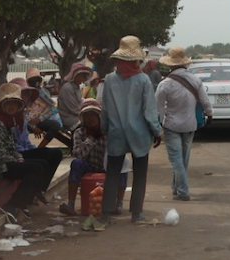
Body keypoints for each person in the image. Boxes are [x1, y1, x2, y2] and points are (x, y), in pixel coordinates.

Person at [99, 36, 163, 225]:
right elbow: (149, 111)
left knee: (112, 173)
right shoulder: (143, 80)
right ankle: (136, 212)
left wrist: (104, 128)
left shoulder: (109, 80)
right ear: (136, 60)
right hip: (140, 133)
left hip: (116, 132)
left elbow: (105, 108)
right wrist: (157, 131)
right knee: (140, 173)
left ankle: (106, 213)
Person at [0, 83, 49, 218]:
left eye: (15, 104)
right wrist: (17, 160)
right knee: (35, 168)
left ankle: (24, 200)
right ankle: (13, 205)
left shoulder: (7, 121)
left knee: (42, 164)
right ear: (1, 105)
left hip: (1, 162)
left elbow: (10, 148)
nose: (11, 107)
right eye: (8, 104)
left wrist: (18, 157)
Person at [155, 46, 212, 201]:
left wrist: (156, 128)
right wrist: (210, 114)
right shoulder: (195, 80)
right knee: (183, 159)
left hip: (171, 125)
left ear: (169, 64)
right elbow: (205, 101)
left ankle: (182, 191)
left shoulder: (164, 84)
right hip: (190, 125)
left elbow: (158, 109)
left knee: (176, 160)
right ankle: (176, 186)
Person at [59, 99, 128, 216]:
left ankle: (118, 203)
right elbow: (78, 153)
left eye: (93, 115)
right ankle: (71, 204)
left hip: (108, 165)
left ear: (99, 116)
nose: (90, 119)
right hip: (89, 165)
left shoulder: (110, 130)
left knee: (123, 162)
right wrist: (91, 139)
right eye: (86, 116)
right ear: (82, 118)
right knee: (76, 163)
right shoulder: (79, 132)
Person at [9, 78, 63, 205]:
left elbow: (25, 141)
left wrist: (36, 150)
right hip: (14, 154)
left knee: (56, 154)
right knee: (41, 163)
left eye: (26, 94)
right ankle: (26, 198)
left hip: (24, 150)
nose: (26, 97)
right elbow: (12, 146)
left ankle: (39, 190)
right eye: (23, 94)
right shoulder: (9, 116)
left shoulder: (22, 115)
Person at [57, 62, 93, 131]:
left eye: (83, 76)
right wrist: (86, 114)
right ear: (75, 75)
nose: (82, 78)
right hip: (69, 118)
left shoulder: (76, 87)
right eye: (81, 76)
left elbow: (80, 102)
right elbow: (73, 108)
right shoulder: (68, 88)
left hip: (76, 115)